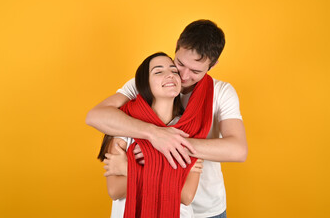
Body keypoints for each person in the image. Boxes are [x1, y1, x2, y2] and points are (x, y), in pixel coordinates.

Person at [87, 20, 248, 218]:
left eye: (196, 71)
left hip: (205, 207)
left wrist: (166, 147)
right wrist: (155, 135)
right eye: (179, 63)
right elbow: (96, 115)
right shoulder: (147, 82)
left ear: (212, 65)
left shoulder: (222, 92)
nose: (183, 75)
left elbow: (238, 150)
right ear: (176, 49)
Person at [97, 52, 206, 218]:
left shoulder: (190, 129)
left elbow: (186, 195)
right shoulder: (124, 124)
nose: (170, 75)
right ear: (144, 83)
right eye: (158, 71)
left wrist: (130, 169)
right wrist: (169, 175)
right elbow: (114, 190)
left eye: (174, 71)